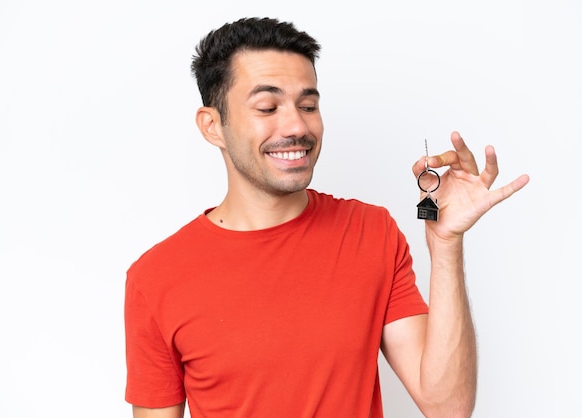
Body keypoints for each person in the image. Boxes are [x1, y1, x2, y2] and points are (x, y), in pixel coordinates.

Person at [124, 17, 530, 418]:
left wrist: (446, 244)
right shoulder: (156, 278)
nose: (297, 125)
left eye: (308, 105)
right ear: (212, 126)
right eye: (267, 106)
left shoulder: (371, 233)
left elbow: (447, 407)